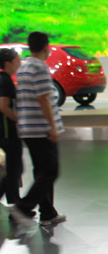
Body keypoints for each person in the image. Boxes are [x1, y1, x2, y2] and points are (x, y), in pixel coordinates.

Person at [10, 32, 66, 226]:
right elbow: (43, 99)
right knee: (50, 171)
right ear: (45, 47)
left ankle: (48, 213)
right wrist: (52, 127)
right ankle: (23, 208)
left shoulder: (24, 67)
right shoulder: (39, 67)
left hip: (28, 128)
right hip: (41, 129)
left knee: (41, 172)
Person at [0, 48, 23, 207]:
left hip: (4, 131)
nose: (19, 63)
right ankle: (15, 204)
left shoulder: (4, 79)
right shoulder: (6, 81)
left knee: (13, 169)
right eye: (17, 61)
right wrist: (17, 119)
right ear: (8, 63)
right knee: (14, 169)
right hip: (7, 132)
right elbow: (3, 106)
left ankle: (14, 203)